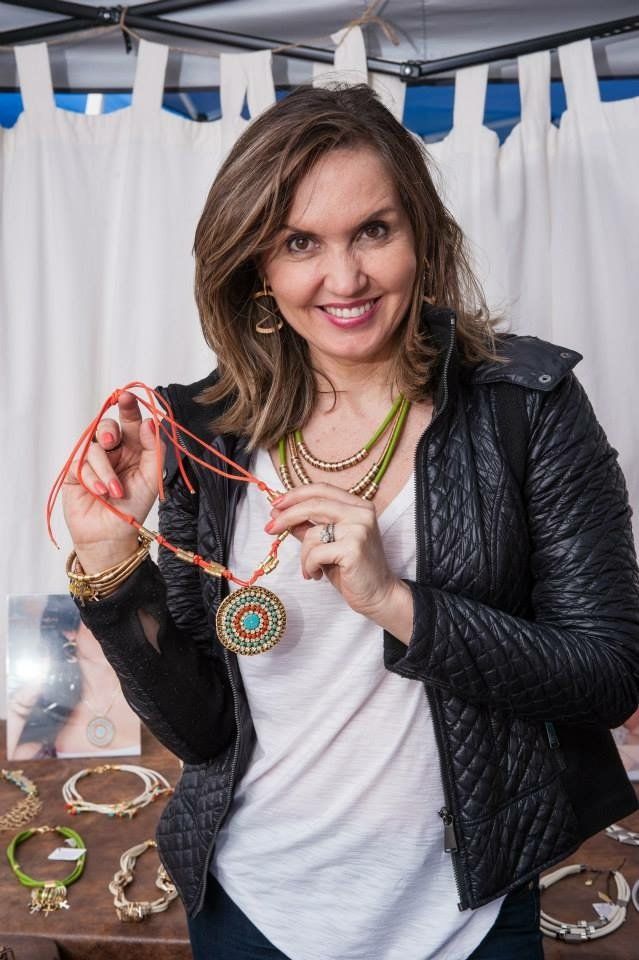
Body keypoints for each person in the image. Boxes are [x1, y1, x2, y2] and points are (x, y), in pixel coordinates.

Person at [60, 84, 639, 960]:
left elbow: (606, 677)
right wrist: (110, 563)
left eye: (373, 230)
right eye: (300, 242)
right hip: (254, 913)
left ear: (421, 234)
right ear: (257, 264)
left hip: (467, 918)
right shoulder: (205, 434)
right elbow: (201, 729)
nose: (345, 279)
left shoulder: (525, 407)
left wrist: (395, 602)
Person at [7, 594, 140, 760]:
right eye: (98, 620)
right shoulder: (49, 706)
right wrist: (29, 692)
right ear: (69, 631)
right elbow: (14, 766)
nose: (111, 632)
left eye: (119, 621)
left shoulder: (145, 695)